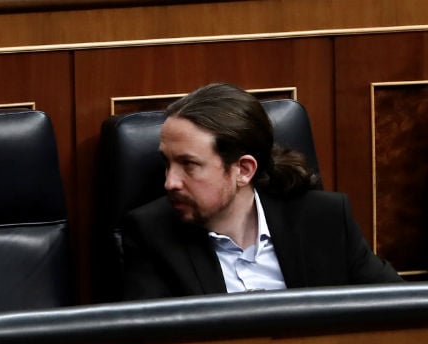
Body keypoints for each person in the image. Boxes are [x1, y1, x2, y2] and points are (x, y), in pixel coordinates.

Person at [120, 82, 402, 299]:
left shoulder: (324, 219)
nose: (170, 182)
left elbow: (401, 308)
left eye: (188, 164)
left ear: (243, 170)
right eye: (167, 163)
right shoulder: (151, 234)